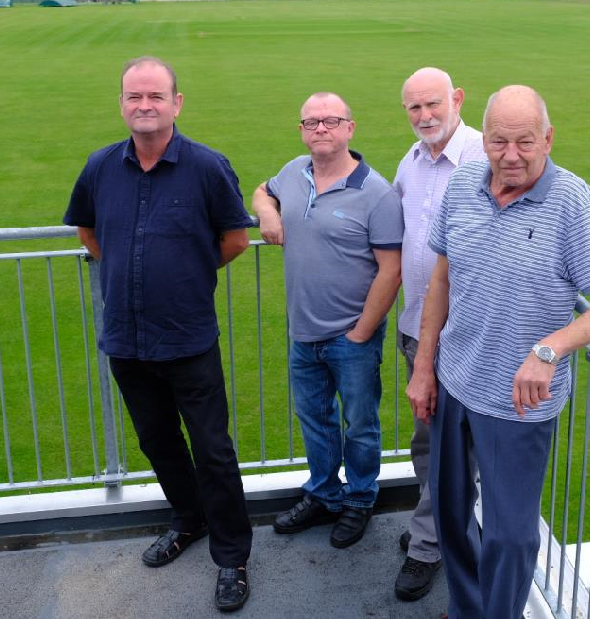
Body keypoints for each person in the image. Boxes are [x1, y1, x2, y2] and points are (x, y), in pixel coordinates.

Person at [406, 85, 590, 619]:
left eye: (525, 142)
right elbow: (440, 278)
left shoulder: (575, 202)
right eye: (498, 142)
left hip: (519, 403)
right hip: (455, 381)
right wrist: (424, 369)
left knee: (510, 536)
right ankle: (468, 609)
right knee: (449, 513)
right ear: (482, 139)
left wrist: (550, 348)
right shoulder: (465, 181)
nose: (510, 156)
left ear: (549, 139)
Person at [63, 55, 253, 613]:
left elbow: (235, 240)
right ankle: (187, 520)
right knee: (158, 442)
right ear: (121, 103)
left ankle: (233, 557)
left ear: (176, 103)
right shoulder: (101, 167)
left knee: (213, 449)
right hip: (126, 338)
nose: (144, 106)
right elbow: (89, 233)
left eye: (155, 97)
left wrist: (184, 274)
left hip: (188, 338)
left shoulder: (207, 167)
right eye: (133, 97)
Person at [252, 92, 403, 549]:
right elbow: (263, 190)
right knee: (314, 418)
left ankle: (359, 499)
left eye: (331, 121)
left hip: (350, 337)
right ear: (301, 130)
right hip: (304, 333)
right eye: (312, 122)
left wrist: (360, 333)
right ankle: (323, 493)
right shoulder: (292, 172)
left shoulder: (376, 193)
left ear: (350, 129)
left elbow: (391, 269)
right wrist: (266, 213)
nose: (321, 129)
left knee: (359, 422)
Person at [390, 67, 484, 602]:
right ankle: (440, 530)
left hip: (464, 341)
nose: (424, 116)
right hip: (416, 332)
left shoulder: (482, 159)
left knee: (453, 452)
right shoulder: (412, 160)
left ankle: (427, 547)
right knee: (427, 443)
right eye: (414, 108)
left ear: (458, 99)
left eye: (432, 105)